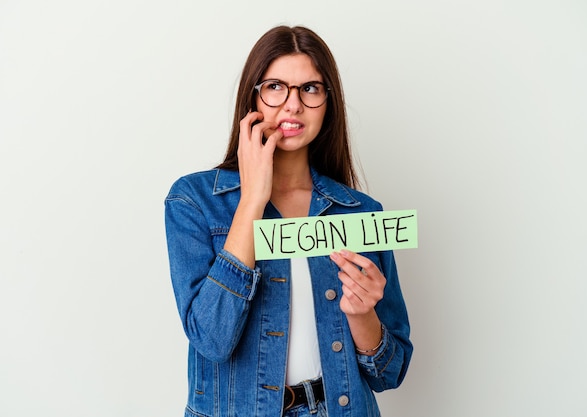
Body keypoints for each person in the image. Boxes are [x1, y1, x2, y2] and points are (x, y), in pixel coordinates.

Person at [164, 25, 412, 417]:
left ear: (328, 102)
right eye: (276, 87)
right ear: (254, 97)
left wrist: (363, 314)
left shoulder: (361, 213)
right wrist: (252, 200)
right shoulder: (193, 201)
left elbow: (390, 373)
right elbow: (210, 339)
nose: (293, 105)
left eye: (310, 89)